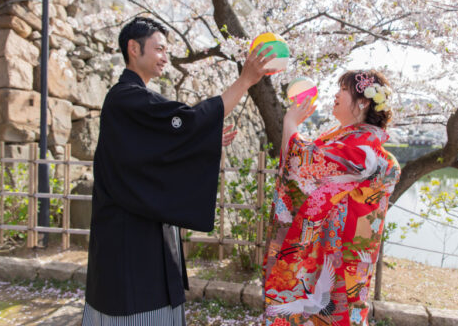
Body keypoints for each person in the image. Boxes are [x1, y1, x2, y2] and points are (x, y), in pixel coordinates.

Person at [82, 16, 275, 326]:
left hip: (142, 222)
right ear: (134, 48)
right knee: (134, 306)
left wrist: (205, 139)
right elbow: (186, 122)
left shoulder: (132, 100)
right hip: (129, 232)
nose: (165, 57)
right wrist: (244, 81)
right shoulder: (128, 99)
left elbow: (162, 149)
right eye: (159, 49)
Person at [263, 70, 401, 326]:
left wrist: (291, 124)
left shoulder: (363, 146)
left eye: (344, 89)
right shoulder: (342, 138)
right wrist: (291, 127)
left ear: (363, 102)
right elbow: (301, 168)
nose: (336, 94)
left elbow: (303, 163)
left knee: (336, 313)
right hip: (333, 249)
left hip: (343, 252)